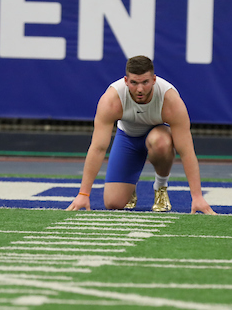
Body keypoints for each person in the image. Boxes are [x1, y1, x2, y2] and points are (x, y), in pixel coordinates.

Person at [66, 55, 216, 214]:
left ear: (154, 80)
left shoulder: (170, 100)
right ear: (125, 81)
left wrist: (197, 196)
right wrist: (83, 194)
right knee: (113, 203)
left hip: (158, 137)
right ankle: (130, 187)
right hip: (128, 139)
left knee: (160, 143)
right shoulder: (111, 100)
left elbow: (186, 151)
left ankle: (160, 187)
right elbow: (98, 148)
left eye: (145, 82)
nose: (139, 89)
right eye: (134, 83)